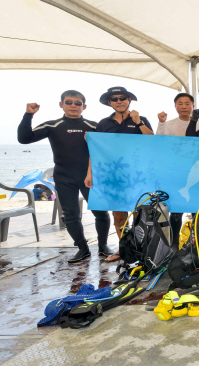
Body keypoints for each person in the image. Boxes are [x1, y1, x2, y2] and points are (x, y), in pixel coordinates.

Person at [18, 90, 112, 263]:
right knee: (70, 215)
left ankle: (103, 247)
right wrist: (28, 115)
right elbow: (24, 139)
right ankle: (82, 248)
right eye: (69, 102)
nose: (73, 106)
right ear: (61, 104)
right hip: (63, 177)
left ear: (84, 106)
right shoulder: (53, 125)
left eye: (78, 103)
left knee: (100, 212)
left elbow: (109, 149)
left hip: (90, 177)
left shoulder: (93, 126)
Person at [87, 86, 153, 262]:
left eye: (122, 98)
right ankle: (124, 248)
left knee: (140, 213)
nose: (119, 101)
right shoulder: (103, 123)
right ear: (110, 102)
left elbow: (153, 140)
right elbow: (95, 150)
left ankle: (141, 249)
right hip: (113, 175)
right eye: (114, 99)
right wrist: (89, 174)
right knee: (119, 215)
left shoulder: (141, 119)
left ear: (129, 100)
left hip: (138, 174)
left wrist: (138, 121)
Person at [156, 93, 199, 246]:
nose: (184, 106)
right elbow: (160, 141)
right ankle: (174, 244)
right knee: (176, 211)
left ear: (193, 106)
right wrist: (161, 122)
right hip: (176, 174)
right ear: (175, 106)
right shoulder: (168, 124)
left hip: (197, 173)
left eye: (187, 103)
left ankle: (198, 245)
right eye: (180, 103)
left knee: (198, 211)